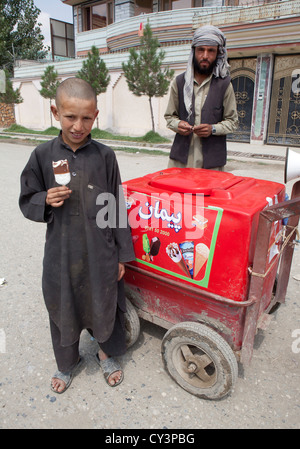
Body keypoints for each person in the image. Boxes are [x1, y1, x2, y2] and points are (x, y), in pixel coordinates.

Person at [19, 77, 135, 394]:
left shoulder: (105, 156)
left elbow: (116, 206)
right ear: (56, 112)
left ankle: (106, 354)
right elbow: (26, 198)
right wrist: (44, 199)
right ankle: (67, 362)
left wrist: (123, 255)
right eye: (70, 116)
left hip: (101, 252)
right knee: (62, 303)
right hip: (61, 252)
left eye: (86, 117)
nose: (78, 125)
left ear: (96, 115)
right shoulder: (42, 156)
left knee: (105, 302)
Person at [164, 25, 238, 170]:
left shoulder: (224, 85)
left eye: (211, 51)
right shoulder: (179, 82)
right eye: (201, 50)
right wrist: (178, 125)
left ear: (217, 54)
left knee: (210, 193)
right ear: (194, 52)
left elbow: (232, 122)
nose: (205, 56)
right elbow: (169, 117)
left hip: (211, 164)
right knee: (176, 192)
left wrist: (213, 129)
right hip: (181, 162)